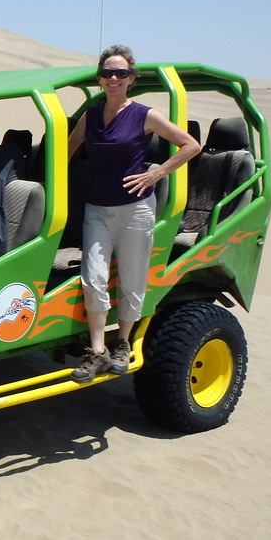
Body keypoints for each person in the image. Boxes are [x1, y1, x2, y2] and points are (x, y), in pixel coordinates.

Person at [67, 45, 201, 382]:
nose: (114, 78)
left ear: (131, 79)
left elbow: (190, 145)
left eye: (121, 73)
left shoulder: (145, 114)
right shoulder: (92, 116)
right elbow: (68, 150)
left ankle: (123, 343)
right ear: (100, 78)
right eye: (108, 73)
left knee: (131, 278)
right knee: (93, 277)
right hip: (96, 208)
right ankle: (97, 350)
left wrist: (157, 173)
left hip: (135, 209)